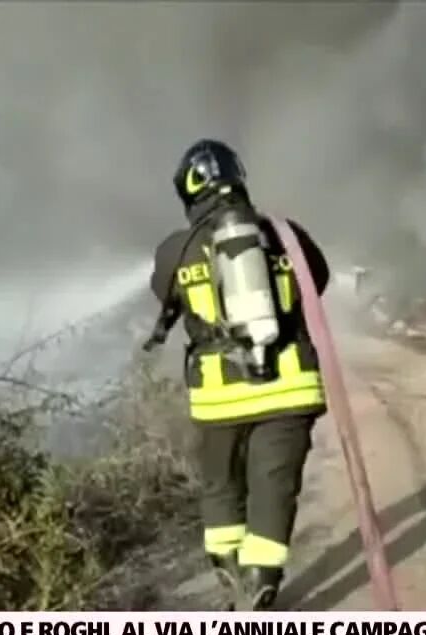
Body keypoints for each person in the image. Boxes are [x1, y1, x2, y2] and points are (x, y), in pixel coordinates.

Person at [145, 139, 330, 610]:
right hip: (289, 388)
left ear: (188, 191)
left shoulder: (175, 250)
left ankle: (232, 586)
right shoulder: (286, 233)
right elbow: (318, 280)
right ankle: (260, 586)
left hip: (219, 396)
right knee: (274, 488)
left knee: (221, 487)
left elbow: (161, 293)